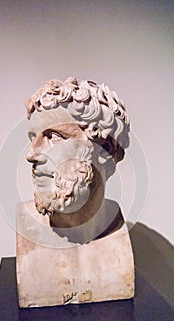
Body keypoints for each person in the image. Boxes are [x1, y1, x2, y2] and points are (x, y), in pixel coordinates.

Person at [23, 77, 130, 244]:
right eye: (33, 138)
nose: (31, 155)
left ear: (105, 150)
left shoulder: (116, 234)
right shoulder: (25, 222)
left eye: (54, 137)